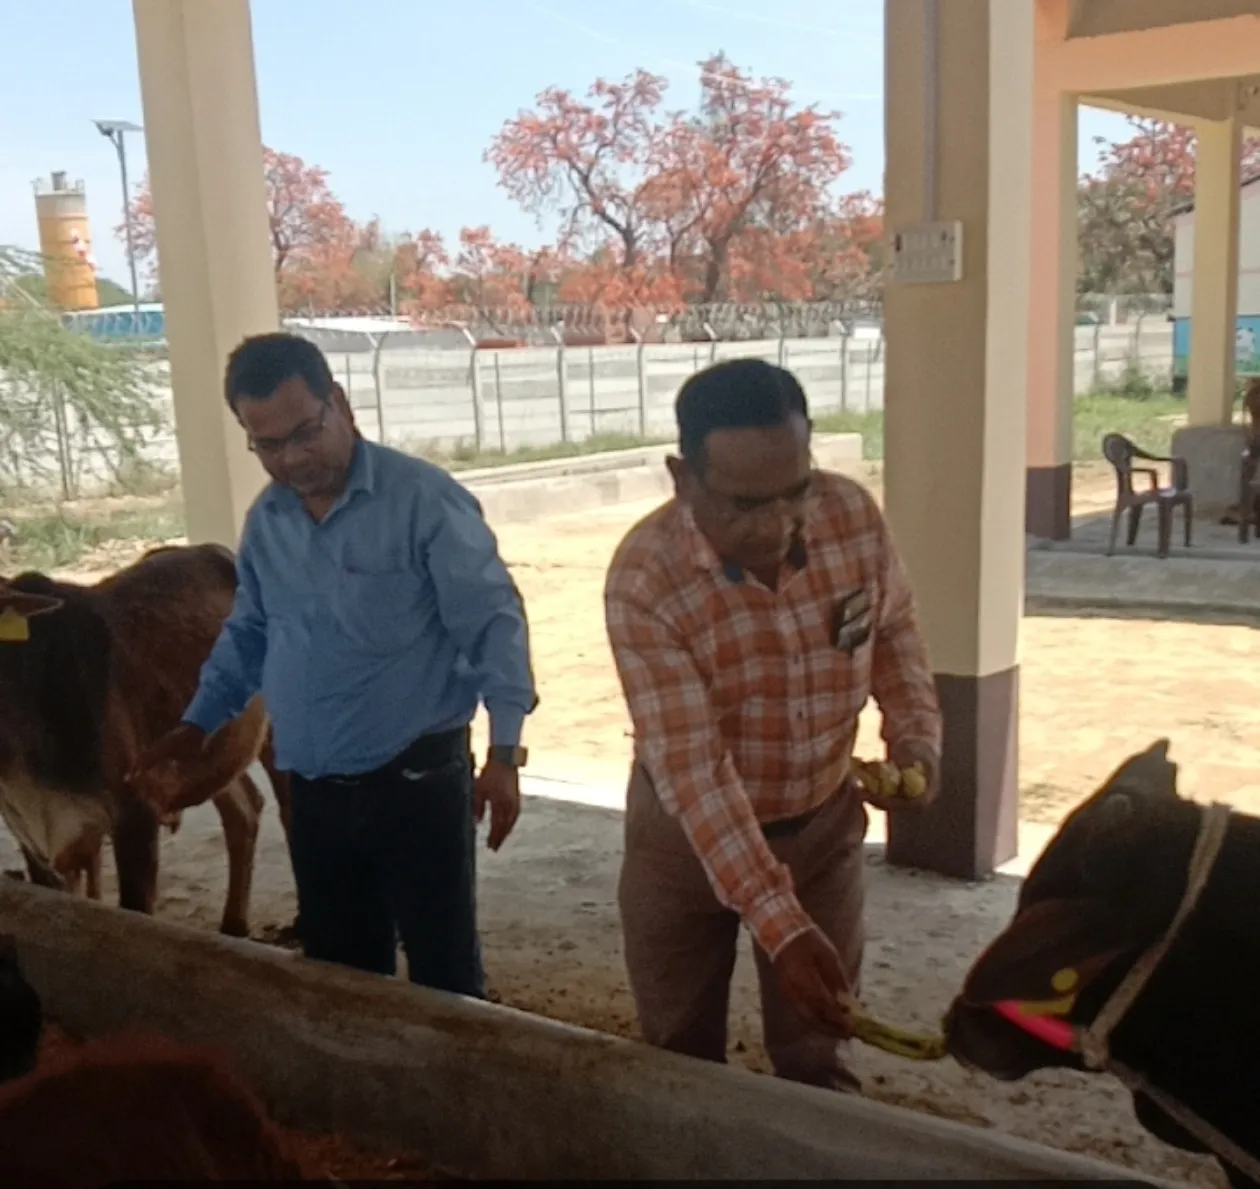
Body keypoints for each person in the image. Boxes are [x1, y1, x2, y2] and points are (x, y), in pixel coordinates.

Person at [131, 332, 537, 999]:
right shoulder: (268, 522)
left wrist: (504, 754)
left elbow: (494, 624)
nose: (291, 458)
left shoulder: (423, 501)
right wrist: (198, 721)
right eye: (267, 444)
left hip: (417, 781)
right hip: (314, 789)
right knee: (340, 983)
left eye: (305, 433)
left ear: (340, 404)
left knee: (445, 979)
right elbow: (250, 632)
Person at [603, 358, 942, 1093]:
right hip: (684, 844)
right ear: (682, 478)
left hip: (823, 831)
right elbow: (695, 772)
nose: (779, 524)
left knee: (823, 1048)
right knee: (680, 1060)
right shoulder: (645, 579)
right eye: (747, 505)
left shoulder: (851, 517)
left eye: (796, 492)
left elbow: (893, 628)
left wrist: (916, 733)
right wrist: (778, 924)